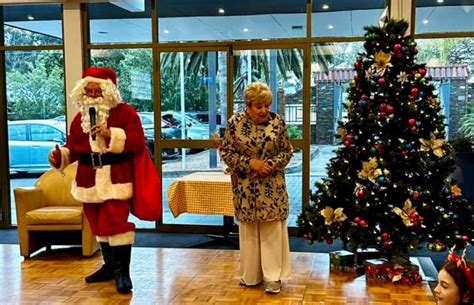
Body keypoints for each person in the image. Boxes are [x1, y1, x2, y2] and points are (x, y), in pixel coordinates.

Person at [48, 67, 161, 294]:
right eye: (87, 91)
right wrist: (60, 156)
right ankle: (109, 267)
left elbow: (138, 142)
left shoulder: (125, 113)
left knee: (116, 223)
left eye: (96, 90)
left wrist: (111, 134)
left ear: (108, 91)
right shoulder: (80, 118)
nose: (91, 95)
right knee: (98, 223)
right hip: (88, 178)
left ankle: (123, 273)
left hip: (115, 177)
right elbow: (73, 146)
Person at [219, 82, 293, 294]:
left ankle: (273, 278)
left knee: (271, 232)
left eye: (267, 105)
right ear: (248, 105)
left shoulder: (277, 122)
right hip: (245, 188)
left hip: (272, 187)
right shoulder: (235, 123)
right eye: (259, 106)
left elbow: (287, 151)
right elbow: (227, 152)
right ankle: (250, 276)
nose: (264, 110)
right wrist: (251, 163)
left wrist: (270, 164)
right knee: (249, 232)